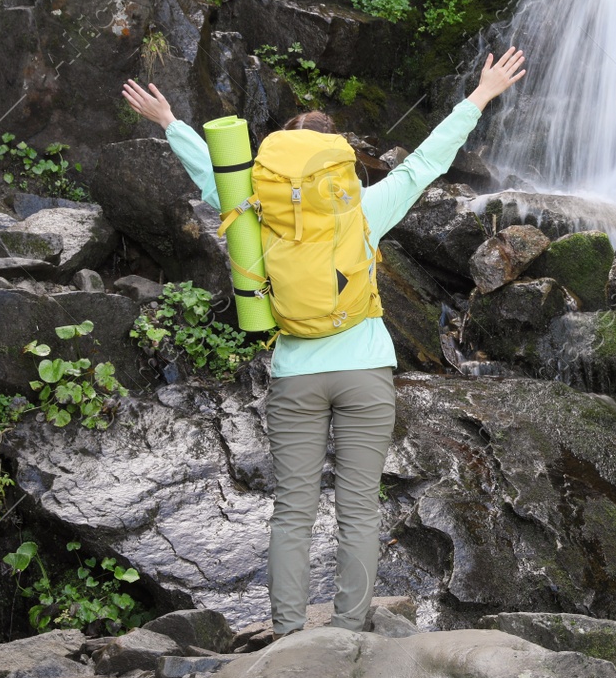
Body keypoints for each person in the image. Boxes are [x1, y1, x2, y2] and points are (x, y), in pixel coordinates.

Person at [119, 47, 527, 637]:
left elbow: (213, 178)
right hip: (365, 372)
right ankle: (350, 628)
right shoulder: (362, 209)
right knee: (359, 510)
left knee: (293, 512)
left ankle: (287, 633)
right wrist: (480, 95)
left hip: (294, 375)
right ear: (336, 162)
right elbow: (424, 164)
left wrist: (170, 124)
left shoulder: (257, 210)